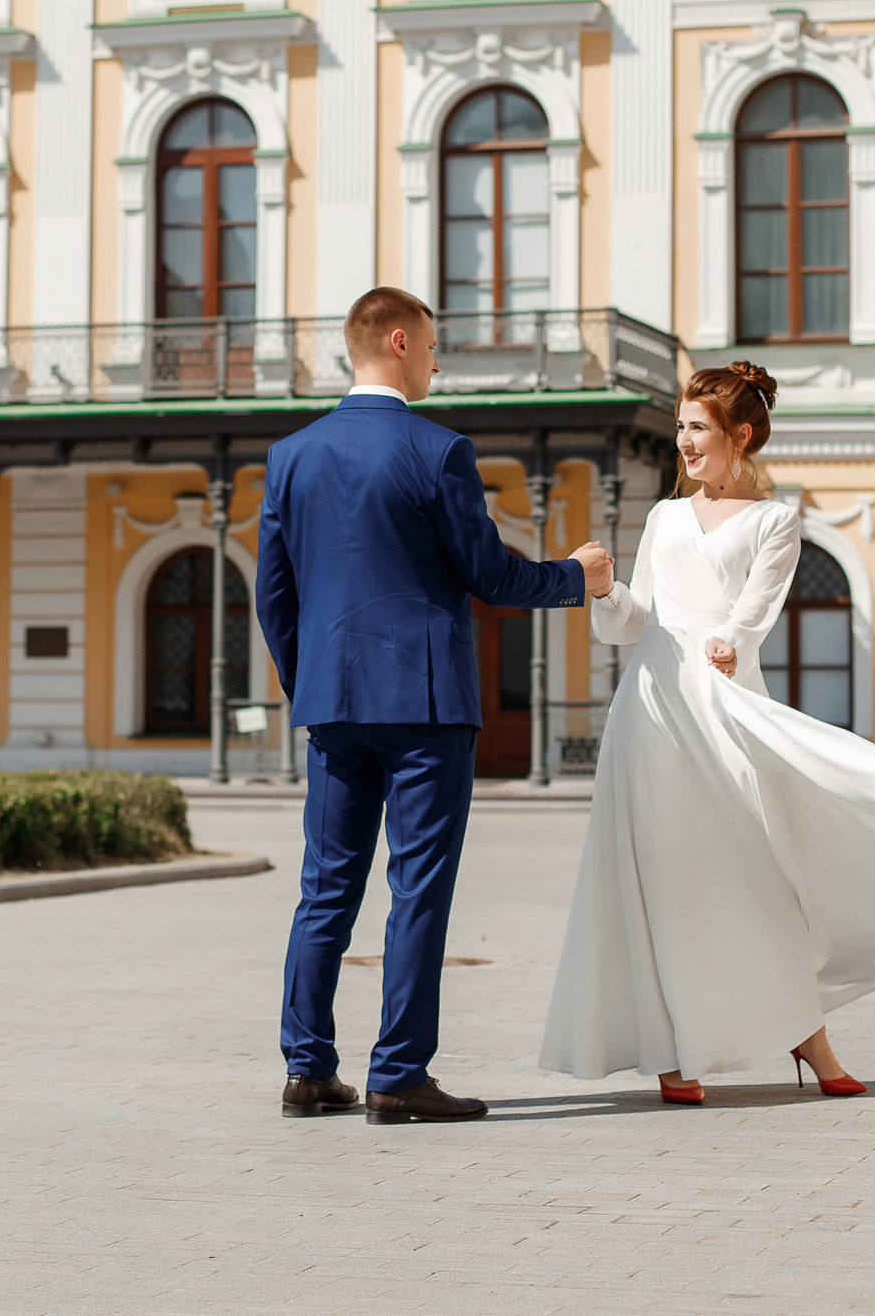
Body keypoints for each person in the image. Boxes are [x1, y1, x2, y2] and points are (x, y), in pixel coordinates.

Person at [540, 361, 875, 1104]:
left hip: (726, 709)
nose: (684, 441)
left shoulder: (775, 521)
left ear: (740, 434)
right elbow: (635, 623)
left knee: (761, 880)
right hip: (651, 712)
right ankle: (673, 1051)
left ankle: (805, 1033)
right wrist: (603, 590)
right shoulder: (663, 517)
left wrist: (728, 642)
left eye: (698, 428)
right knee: (658, 875)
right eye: (681, 427)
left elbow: (753, 613)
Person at [259, 287, 613, 1125]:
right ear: (397, 340)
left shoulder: (290, 456)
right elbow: (488, 574)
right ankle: (397, 1074)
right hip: (425, 708)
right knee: (417, 887)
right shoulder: (438, 449)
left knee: (325, 888)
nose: (436, 360)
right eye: (429, 345)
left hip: (334, 706)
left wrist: (311, 686)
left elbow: (274, 596)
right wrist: (577, 575)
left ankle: (307, 1069)